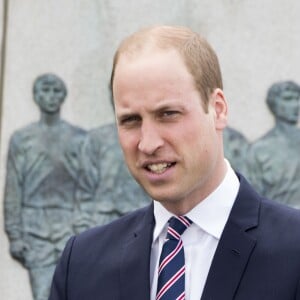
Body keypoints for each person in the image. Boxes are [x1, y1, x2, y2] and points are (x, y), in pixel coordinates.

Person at [49, 26, 300, 300]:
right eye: (130, 120)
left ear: (218, 109)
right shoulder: (82, 265)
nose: (148, 143)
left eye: (168, 114)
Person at [4, 73, 86, 300]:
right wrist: (15, 235)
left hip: (70, 227)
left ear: (64, 96)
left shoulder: (79, 138)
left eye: (56, 91)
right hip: (35, 229)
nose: (51, 97)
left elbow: (87, 187)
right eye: (45, 90)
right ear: (35, 96)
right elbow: (13, 189)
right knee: (42, 294)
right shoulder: (22, 139)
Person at [245, 81, 300, 208]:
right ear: (274, 105)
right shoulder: (259, 150)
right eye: (288, 99)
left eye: (297, 99)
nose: (296, 104)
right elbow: (252, 197)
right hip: (280, 221)